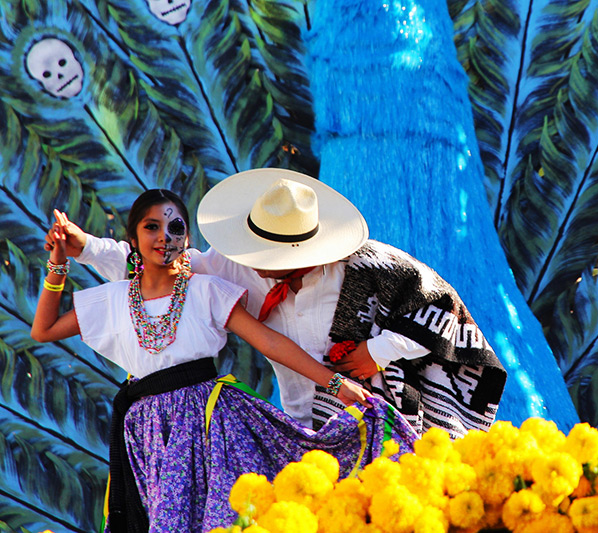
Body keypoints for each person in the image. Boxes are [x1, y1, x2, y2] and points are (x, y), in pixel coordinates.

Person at [33, 189, 417, 533]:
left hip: (212, 423)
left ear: (187, 240)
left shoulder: (206, 288)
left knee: (228, 519)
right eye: (152, 227)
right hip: (148, 432)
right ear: (133, 238)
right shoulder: (113, 299)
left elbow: (268, 340)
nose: (164, 237)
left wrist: (335, 383)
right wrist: (60, 260)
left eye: (175, 228)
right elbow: (43, 330)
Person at [49, 168, 507, 438]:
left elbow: (443, 312)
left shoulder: (372, 266)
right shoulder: (228, 267)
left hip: (383, 415)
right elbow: (155, 268)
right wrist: (86, 245)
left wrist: (378, 352)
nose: (262, 266)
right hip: (303, 425)